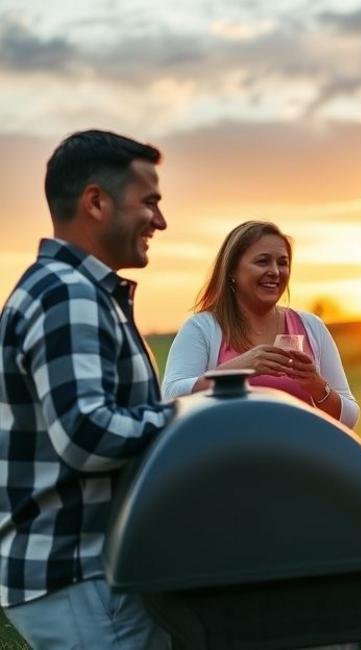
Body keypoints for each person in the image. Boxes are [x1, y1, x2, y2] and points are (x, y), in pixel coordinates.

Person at [0, 130, 172, 648]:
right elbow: (87, 433)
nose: (160, 221)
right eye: (149, 202)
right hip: (78, 572)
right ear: (96, 202)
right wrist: (185, 417)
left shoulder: (74, 289)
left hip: (84, 573)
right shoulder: (68, 293)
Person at [162, 220, 359, 429]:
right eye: (263, 262)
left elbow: (349, 418)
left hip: (299, 450)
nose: (275, 271)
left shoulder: (312, 327)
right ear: (232, 271)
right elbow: (170, 398)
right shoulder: (202, 328)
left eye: (282, 263)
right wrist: (240, 368)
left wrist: (316, 385)